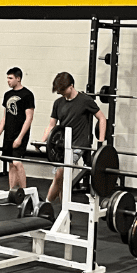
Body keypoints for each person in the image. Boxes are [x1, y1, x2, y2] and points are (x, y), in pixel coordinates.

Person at [42, 72, 106, 204]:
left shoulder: (85, 100)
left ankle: (45, 204)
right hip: (62, 146)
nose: (61, 93)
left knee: (60, 173)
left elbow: (102, 118)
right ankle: (65, 213)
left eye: (63, 90)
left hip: (79, 144)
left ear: (71, 86)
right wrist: (43, 141)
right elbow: (51, 125)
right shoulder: (58, 103)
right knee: (62, 178)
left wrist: (101, 141)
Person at [0, 67, 35, 190]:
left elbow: (29, 118)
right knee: (11, 164)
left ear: (18, 79)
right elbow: (4, 117)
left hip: (20, 133)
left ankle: (24, 194)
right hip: (9, 133)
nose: (8, 81)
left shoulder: (27, 95)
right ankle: (12, 194)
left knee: (17, 162)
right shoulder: (7, 95)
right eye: (7, 78)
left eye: (10, 78)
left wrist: (20, 138)